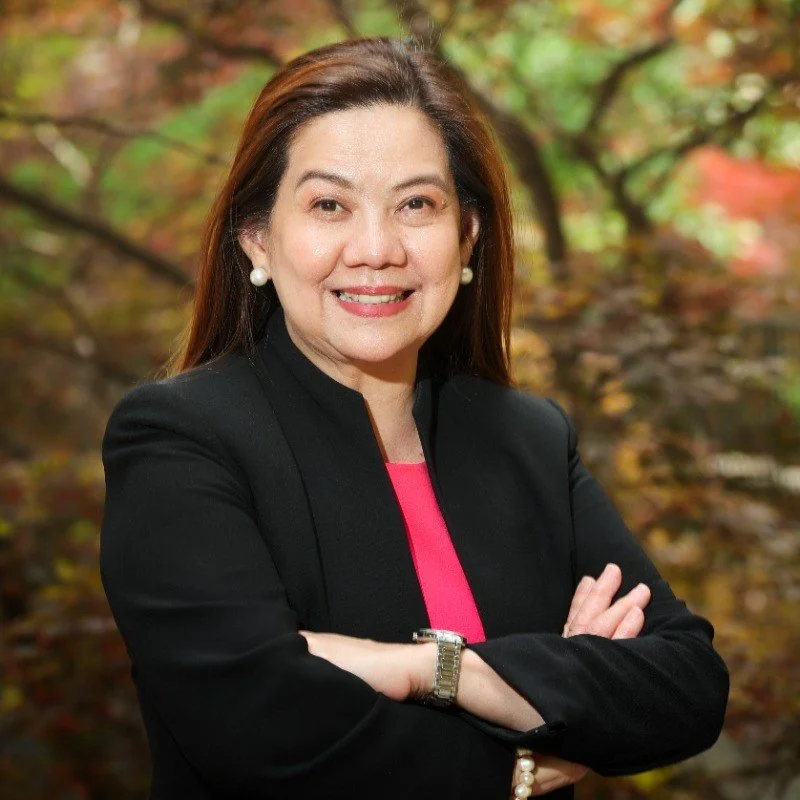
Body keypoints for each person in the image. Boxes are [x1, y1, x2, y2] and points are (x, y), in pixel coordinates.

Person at [99, 36, 729, 799]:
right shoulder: (181, 440)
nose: (376, 249)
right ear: (258, 239)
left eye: (416, 205)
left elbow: (688, 685)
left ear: (467, 238)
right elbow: (263, 728)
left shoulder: (528, 439)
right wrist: (533, 747)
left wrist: (434, 671)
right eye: (329, 205)